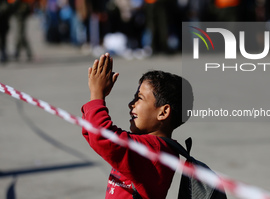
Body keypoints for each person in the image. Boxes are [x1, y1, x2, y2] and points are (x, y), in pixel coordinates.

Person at [81, 53, 193, 198]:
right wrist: (94, 102)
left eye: (139, 98)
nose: (130, 104)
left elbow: (103, 139)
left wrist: (97, 95)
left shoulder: (154, 151)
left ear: (163, 112)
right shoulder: (150, 146)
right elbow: (93, 135)